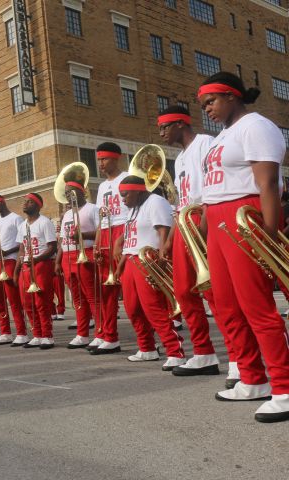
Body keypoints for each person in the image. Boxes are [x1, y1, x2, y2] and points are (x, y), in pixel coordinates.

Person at [197, 72, 289, 423]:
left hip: (244, 217)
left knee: (258, 307)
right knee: (226, 306)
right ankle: (252, 379)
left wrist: (267, 234)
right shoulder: (223, 136)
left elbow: (267, 184)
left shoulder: (257, 126)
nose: (207, 110)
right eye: (204, 104)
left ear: (232, 96)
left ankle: (284, 386)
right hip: (219, 223)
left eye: (211, 102)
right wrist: (206, 236)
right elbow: (212, 191)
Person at [156, 105, 229, 378]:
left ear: (180, 124)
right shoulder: (179, 158)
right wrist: (169, 241)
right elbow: (180, 204)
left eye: (164, 127)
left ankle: (236, 357)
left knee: (214, 293)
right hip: (184, 227)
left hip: (202, 223)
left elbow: (212, 189)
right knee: (184, 292)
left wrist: (204, 227)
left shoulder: (205, 143)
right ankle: (204, 353)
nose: (161, 133)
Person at [115, 176, 185, 370]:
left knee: (153, 308)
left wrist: (163, 255)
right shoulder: (132, 209)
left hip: (148, 258)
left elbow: (164, 230)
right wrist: (121, 263)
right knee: (132, 308)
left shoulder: (156, 202)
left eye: (125, 194)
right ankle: (147, 348)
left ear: (138, 190)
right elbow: (130, 239)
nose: (122, 199)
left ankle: (175, 352)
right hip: (131, 259)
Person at [92, 142, 128, 354]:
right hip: (105, 234)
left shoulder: (127, 179)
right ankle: (109, 335)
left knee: (132, 289)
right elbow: (101, 218)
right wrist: (97, 242)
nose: (101, 164)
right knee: (106, 290)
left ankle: (150, 338)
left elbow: (133, 213)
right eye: (99, 160)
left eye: (104, 159)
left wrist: (122, 239)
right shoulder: (102, 187)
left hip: (122, 231)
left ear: (116, 158)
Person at [56, 181, 100, 350]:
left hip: (85, 253)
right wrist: (58, 261)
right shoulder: (66, 214)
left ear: (82, 192)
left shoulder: (92, 208)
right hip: (68, 256)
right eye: (66, 192)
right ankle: (82, 334)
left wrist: (83, 234)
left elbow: (102, 230)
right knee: (77, 298)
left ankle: (100, 333)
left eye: (72, 191)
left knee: (92, 296)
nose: (69, 195)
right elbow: (62, 240)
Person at [15, 193, 56, 349]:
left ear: (38, 205)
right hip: (26, 266)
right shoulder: (22, 225)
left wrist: (37, 259)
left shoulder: (45, 222)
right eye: (25, 201)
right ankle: (37, 334)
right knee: (27, 302)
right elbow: (21, 249)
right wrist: (17, 270)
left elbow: (52, 247)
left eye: (29, 202)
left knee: (41, 302)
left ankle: (47, 335)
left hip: (41, 265)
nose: (25, 204)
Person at [0, 195, 27, 345]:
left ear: (2, 203)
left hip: (9, 261)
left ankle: (22, 332)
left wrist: (7, 251)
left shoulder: (16, 218)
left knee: (14, 299)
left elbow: (23, 241)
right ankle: (5, 332)